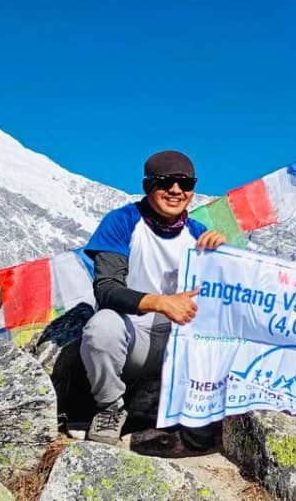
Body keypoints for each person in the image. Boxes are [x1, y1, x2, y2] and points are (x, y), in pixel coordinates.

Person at [80, 150, 226, 448]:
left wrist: (224, 256)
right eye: (165, 182)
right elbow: (106, 289)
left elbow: (225, 303)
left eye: (185, 183)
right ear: (148, 185)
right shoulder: (122, 222)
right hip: (134, 339)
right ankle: (109, 406)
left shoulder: (199, 235)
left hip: (180, 345)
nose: (176, 190)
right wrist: (161, 302)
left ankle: (197, 414)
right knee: (101, 326)